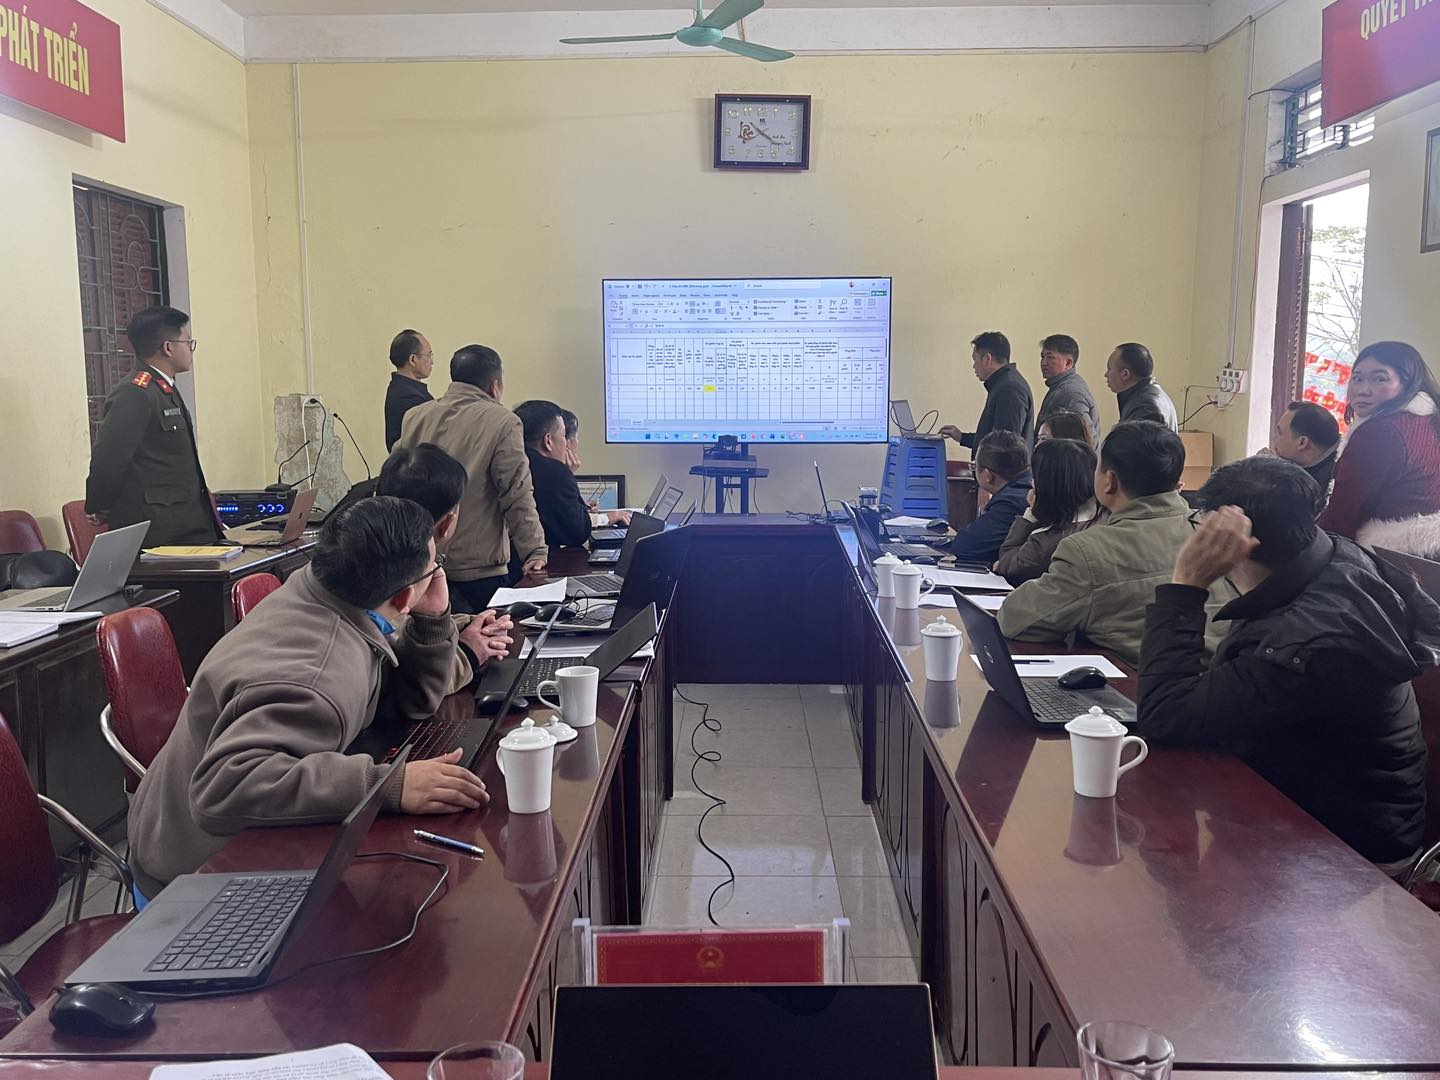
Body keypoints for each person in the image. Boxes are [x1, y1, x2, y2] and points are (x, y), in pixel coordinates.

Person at [126, 496, 489, 899]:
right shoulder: (317, 673)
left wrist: (432, 619)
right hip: (189, 878)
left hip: (200, 836)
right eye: (433, 569)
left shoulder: (322, 590)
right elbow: (223, 788)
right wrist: (385, 785)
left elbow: (408, 701)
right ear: (404, 597)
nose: (436, 578)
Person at [1136, 455, 1438, 871]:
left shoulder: (1310, 644)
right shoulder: (1330, 555)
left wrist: (1186, 585)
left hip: (1348, 855)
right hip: (1310, 803)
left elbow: (1164, 716)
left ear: (1232, 538)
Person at [998, 421, 1231, 664]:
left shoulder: (1088, 551)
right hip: (1221, 680)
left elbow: (1014, 620)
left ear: (1109, 481)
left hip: (1138, 682)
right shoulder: (1216, 533)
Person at [395, 345, 547, 611]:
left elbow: (396, 481)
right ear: (495, 385)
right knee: (488, 634)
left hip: (420, 567)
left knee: (434, 635)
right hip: (478, 571)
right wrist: (535, 551)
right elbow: (516, 493)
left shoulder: (414, 417)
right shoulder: (503, 421)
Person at [376, 443, 514, 687]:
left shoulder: (375, 551)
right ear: (448, 523)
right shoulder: (396, 576)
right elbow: (406, 685)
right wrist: (469, 652)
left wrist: (465, 624)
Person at [84, 306, 221, 546]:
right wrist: (100, 505)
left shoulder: (164, 388)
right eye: (187, 342)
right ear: (168, 347)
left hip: (187, 524)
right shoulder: (136, 393)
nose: (190, 349)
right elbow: (109, 458)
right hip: (161, 530)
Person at [1319, 342, 1440, 556]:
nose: (1363, 390)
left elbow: (1341, 518)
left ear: (1407, 383)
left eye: (1380, 379)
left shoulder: (1381, 432)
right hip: (1426, 555)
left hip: (1383, 559)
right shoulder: (1426, 421)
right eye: (1357, 378)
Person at [994, 437, 1108, 585]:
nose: (1031, 482)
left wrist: (1031, 513)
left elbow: (1006, 562)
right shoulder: (1105, 517)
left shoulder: (1045, 544)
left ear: (1048, 486)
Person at [512, 399, 623, 549]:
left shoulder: (507, 463)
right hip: (537, 560)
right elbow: (577, 532)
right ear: (548, 441)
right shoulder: (555, 473)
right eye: (564, 436)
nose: (567, 444)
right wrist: (565, 474)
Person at [945, 432, 1034, 566]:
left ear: (988, 476)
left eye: (974, 466)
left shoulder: (1009, 504)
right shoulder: (1028, 487)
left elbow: (965, 546)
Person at [939, 331, 1035, 452]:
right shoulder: (1003, 384)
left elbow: (1005, 445)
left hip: (999, 465)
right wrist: (962, 437)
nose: (974, 366)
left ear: (987, 359)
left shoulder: (1010, 388)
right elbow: (992, 438)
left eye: (975, 360)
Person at [1035, 334, 1101, 441]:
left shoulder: (1071, 393)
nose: (1043, 363)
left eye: (1050, 357)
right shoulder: (1060, 386)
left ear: (1068, 363)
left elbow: (1081, 439)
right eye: (1042, 357)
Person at [1269, 400, 1340, 494]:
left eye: (1280, 433)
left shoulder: (1331, 484)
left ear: (1302, 442)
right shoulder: (1319, 461)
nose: (1274, 438)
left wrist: (1267, 473)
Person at [1104, 342, 1178, 432]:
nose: (1106, 375)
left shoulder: (1146, 408)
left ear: (1125, 374)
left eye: (1109, 369)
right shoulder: (1149, 396)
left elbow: (1135, 440)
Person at [384, 329, 435, 451]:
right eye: (428, 355)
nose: (432, 361)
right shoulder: (409, 397)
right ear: (413, 359)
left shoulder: (404, 387)